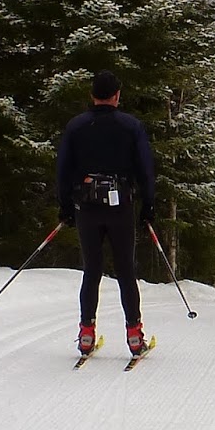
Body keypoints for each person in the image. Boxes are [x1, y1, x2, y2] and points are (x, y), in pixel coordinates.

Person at [57, 70, 156, 358]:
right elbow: (145, 168)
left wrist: (64, 204)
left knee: (92, 270)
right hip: (120, 206)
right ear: (117, 95)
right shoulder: (131, 126)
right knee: (126, 270)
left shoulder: (77, 126)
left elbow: (63, 168)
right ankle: (135, 335)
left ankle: (86, 333)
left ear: (92, 95)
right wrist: (148, 204)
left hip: (87, 206)